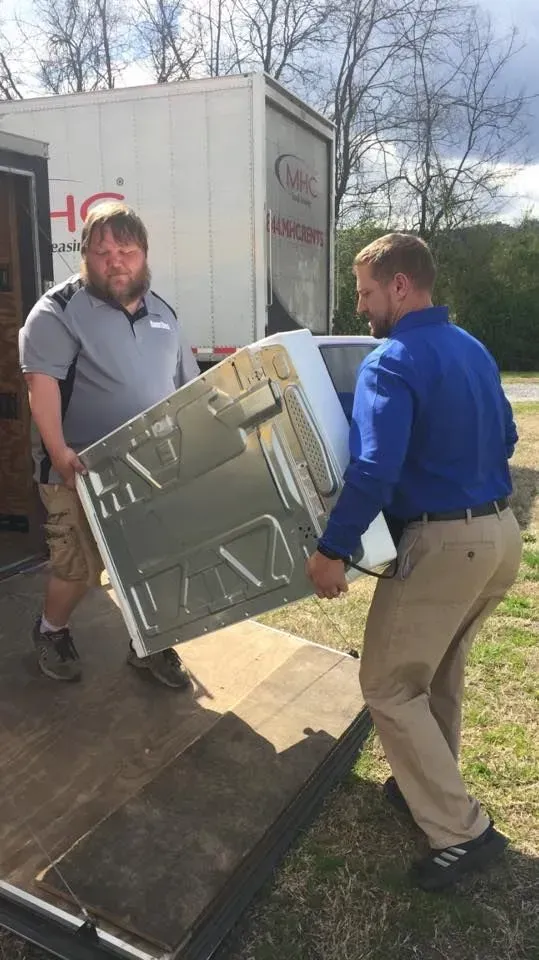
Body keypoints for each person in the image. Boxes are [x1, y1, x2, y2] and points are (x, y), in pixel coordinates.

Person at [306, 233, 522, 891]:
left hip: (444, 543)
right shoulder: (471, 348)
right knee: (434, 672)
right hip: (501, 536)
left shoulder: (390, 359)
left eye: (366, 293)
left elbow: (373, 468)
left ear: (398, 286)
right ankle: (422, 786)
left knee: (388, 684)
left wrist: (330, 551)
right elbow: (509, 435)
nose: (361, 308)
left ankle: (460, 833)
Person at [19, 201, 200, 688]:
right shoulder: (57, 313)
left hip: (148, 468)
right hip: (76, 469)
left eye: (126, 250)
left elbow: (187, 390)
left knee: (154, 561)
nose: (115, 261)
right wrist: (59, 455)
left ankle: (150, 644)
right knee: (78, 567)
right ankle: (51, 631)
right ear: (85, 256)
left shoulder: (165, 313)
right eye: (102, 252)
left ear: (144, 254)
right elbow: (42, 388)